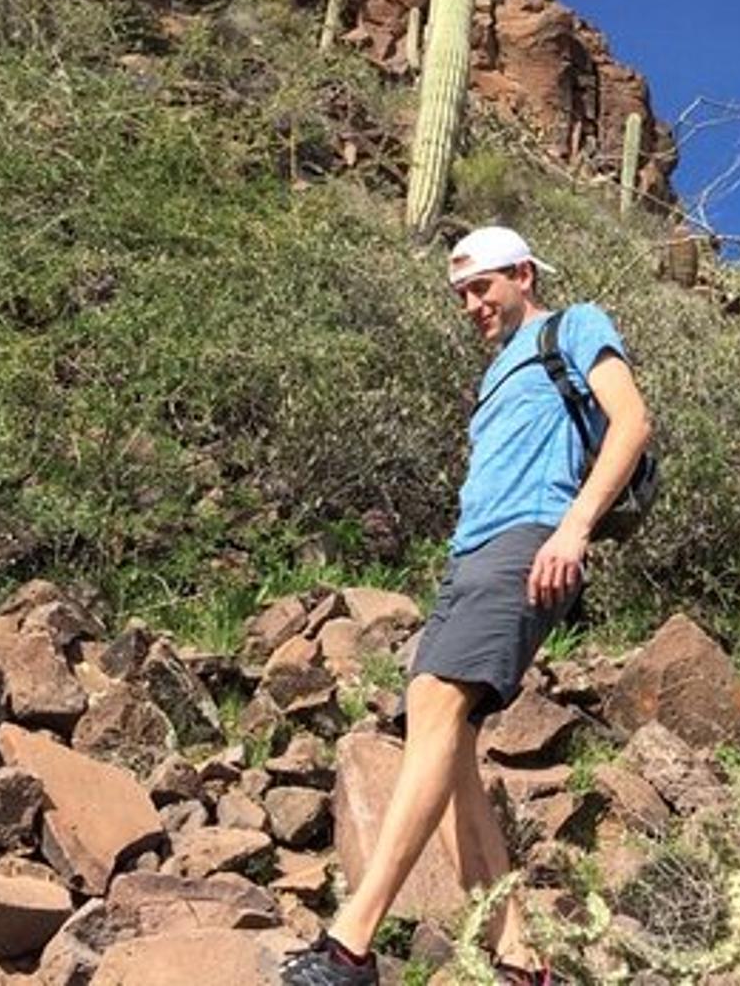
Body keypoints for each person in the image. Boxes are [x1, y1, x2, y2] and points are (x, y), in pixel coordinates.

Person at [280, 225, 652, 986]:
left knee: (442, 709)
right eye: (462, 295)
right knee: (437, 734)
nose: (473, 304)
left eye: (482, 287)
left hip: (533, 539)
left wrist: (574, 530)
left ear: (522, 272)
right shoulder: (493, 376)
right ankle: (521, 961)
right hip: (472, 556)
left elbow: (633, 421)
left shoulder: (573, 324)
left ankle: (350, 945)